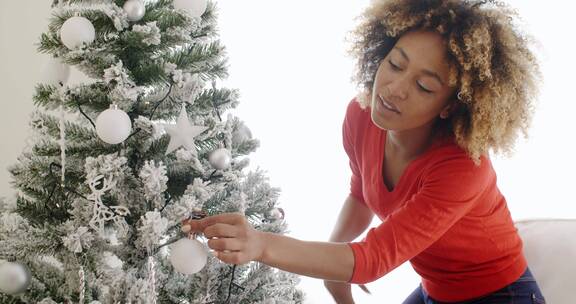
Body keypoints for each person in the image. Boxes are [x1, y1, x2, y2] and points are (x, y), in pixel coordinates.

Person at [181, 0, 547, 303]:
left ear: (450, 106)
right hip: (435, 291)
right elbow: (363, 196)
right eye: (395, 63)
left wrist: (261, 244)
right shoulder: (361, 117)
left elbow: (373, 259)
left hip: (501, 294)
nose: (393, 89)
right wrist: (335, 266)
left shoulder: (463, 169)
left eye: (423, 85)